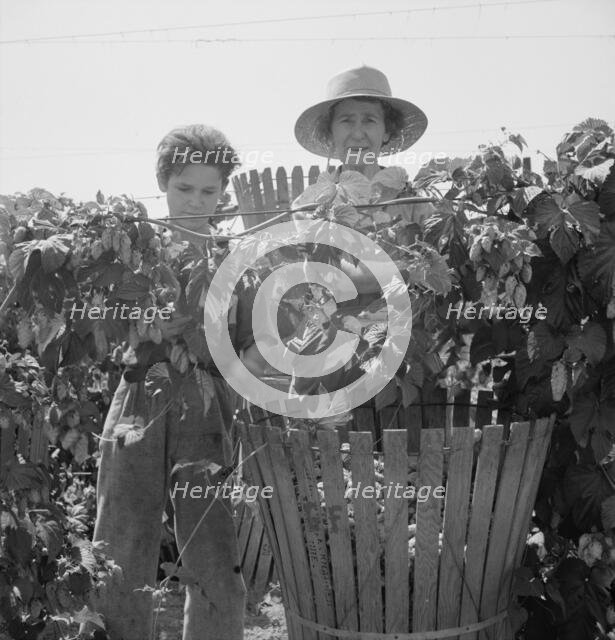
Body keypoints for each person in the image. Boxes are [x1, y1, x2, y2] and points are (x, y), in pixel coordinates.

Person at [93, 125, 248, 640]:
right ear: (162, 184)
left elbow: (246, 338)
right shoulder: (137, 248)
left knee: (212, 540)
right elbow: (106, 322)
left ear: (223, 192)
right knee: (122, 531)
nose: (195, 201)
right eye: (184, 189)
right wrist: (137, 324)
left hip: (205, 401)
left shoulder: (232, 257)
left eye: (208, 191)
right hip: (139, 393)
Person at [242, 66, 432, 398]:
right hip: (327, 347)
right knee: (330, 439)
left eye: (370, 120)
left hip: (406, 348)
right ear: (331, 133)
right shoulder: (310, 205)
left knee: (402, 438)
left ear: (387, 132)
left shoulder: (411, 200)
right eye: (346, 120)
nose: (358, 132)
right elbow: (334, 277)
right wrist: (403, 270)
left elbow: (433, 272)